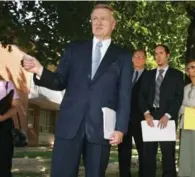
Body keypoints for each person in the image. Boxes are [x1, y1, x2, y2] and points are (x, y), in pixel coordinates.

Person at [22, 4, 132, 177]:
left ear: (113, 24)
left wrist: (120, 128)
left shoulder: (123, 56)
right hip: (69, 125)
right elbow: (59, 81)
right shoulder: (74, 49)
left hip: (101, 128)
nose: (98, 22)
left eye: (103, 18)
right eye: (94, 18)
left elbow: (125, 96)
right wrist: (39, 70)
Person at [138, 44, 184, 177]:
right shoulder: (148, 75)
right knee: (148, 156)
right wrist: (146, 113)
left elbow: (179, 97)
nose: (158, 56)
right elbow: (141, 95)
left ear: (168, 55)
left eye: (161, 53)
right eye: (156, 54)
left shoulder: (177, 75)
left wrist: (168, 115)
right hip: (149, 118)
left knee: (168, 156)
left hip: (167, 119)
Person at [118, 49, 147, 177]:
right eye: (136, 56)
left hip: (142, 119)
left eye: (141, 57)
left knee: (143, 151)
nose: (138, 58)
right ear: (132, 58)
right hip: (124, 119)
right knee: (123, 152)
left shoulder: (150, 76)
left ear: (145, 60)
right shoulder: (124, 74)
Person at [0, 77, 20, 177]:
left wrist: (2, 117)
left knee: (3, 165)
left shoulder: (7, 85)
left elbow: (15, 106)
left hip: (4, 129)